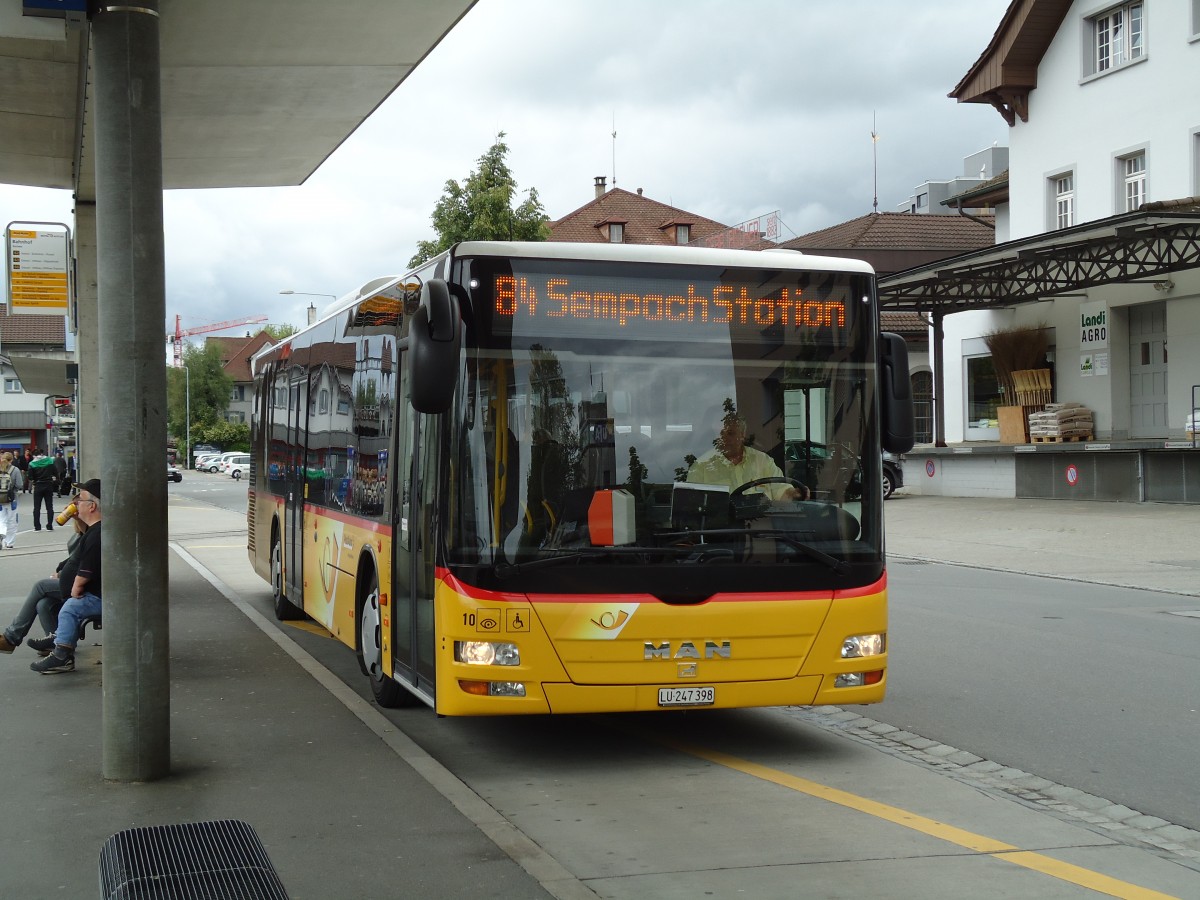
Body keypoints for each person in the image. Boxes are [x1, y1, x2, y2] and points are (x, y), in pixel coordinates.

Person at [30, 479, 102, 675]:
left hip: (97, 595)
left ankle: (60, 654)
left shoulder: (98, 533)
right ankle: (57, 643)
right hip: (92, 591)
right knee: (44, 603)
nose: (76, 502)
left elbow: (86, 568)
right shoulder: (92, 530)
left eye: (81, 499)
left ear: (92, 505)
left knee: (70, 607)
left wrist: (76, 588)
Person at [0, 516, 88, 654]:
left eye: (79, 502)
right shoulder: (85, 531)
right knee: (44, 603)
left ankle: (12, 637)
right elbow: (73, 559)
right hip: (74, 580)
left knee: (40, 586)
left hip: (85, 586)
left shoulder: (95, 532)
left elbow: (84, 564)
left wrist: (63, 574)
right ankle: (57, 644)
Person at [686, 414, 807, 501]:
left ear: (742, 435)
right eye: (720, 434)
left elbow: (782, 494)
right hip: (719, 534)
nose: (724, 438)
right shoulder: (700, 467)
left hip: (763, 532)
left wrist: (796, 494)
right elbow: (690, 509)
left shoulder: (763, 461)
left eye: (730, 433)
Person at [27, 450, 58, 531]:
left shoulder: (32, 464)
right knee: (49, 507)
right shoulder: (50, 461)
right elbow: (55, 472)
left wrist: (35, 479)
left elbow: (30, 477)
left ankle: (37, 527)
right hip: (48, 485)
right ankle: (49, 525)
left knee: (37, 507)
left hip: (38, 485)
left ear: (34, 455)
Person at [0, 451, 23, 548]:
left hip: (0, 500)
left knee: (2, 520)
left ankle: (1, 534)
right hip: (12, 499)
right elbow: (19, 484)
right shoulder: (15, 470)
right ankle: (9, 543)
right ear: (12, 459)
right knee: (12, 521)